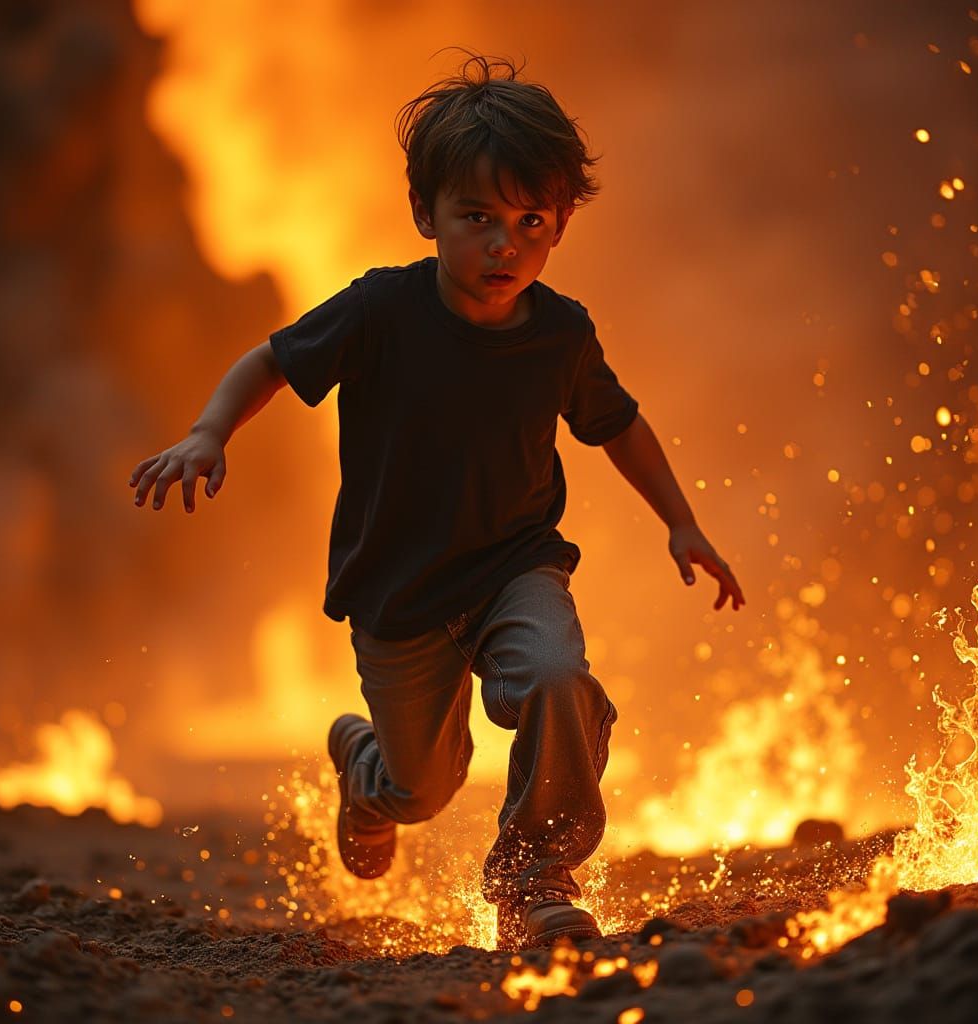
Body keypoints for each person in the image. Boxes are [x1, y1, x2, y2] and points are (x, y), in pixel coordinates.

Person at [129, 52, 745, 950]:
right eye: (478, 218)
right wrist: (207, 433)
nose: (505, 245)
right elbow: (272, 360)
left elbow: (619, 424)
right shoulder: (381, 311)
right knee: (421, 789)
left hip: (514, 568)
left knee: (557, 679)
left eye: (530, 221)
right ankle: (366, 766)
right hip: (400, 593)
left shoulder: (562, 333)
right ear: (428, 215)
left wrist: (681, 521)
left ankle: (533, 876)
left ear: (561, 224)